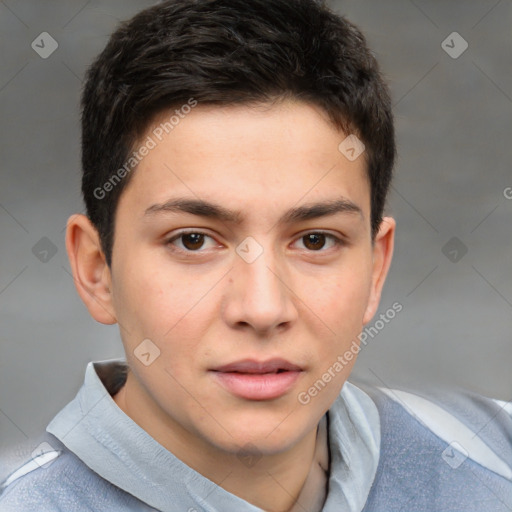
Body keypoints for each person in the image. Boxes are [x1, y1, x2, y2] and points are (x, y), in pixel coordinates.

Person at [1, 0, 511, 510]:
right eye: (193, 240)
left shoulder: (494, 460)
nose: (263, 308)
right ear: (97, 270)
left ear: (376, 268)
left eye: (315, 240)